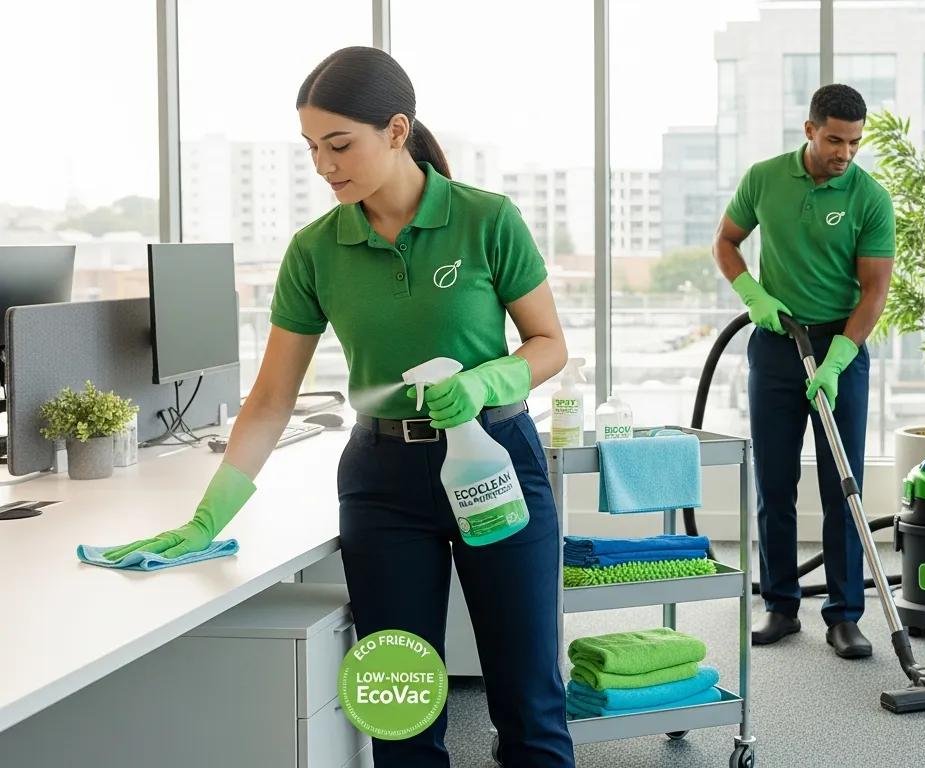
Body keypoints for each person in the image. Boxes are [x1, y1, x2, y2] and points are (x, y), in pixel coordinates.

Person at [102, 46, 576, 766]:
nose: (324, 166)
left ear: (395, 129)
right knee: (401, 703)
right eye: (312, 148)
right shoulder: (315, 249)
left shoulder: (486, 219)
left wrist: (486, 383)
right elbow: (270, 398)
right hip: (383, 480)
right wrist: (211, 513)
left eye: (339, 144)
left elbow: (547, 344)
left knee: (529, 698)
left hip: (494, 461)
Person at [713, 83, 895, 659]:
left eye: (855, 142)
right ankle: (780, 605)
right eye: (836, 139)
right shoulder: (764, 178)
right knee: (774, 481)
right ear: (810, 129)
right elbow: (726, 241)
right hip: (776, 343)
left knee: (843, 487)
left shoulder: (869, 197)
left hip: (840, 345)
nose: (846, 152)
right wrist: (751, 293)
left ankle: (844, 615)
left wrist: (841, 356)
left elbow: (874, 290)